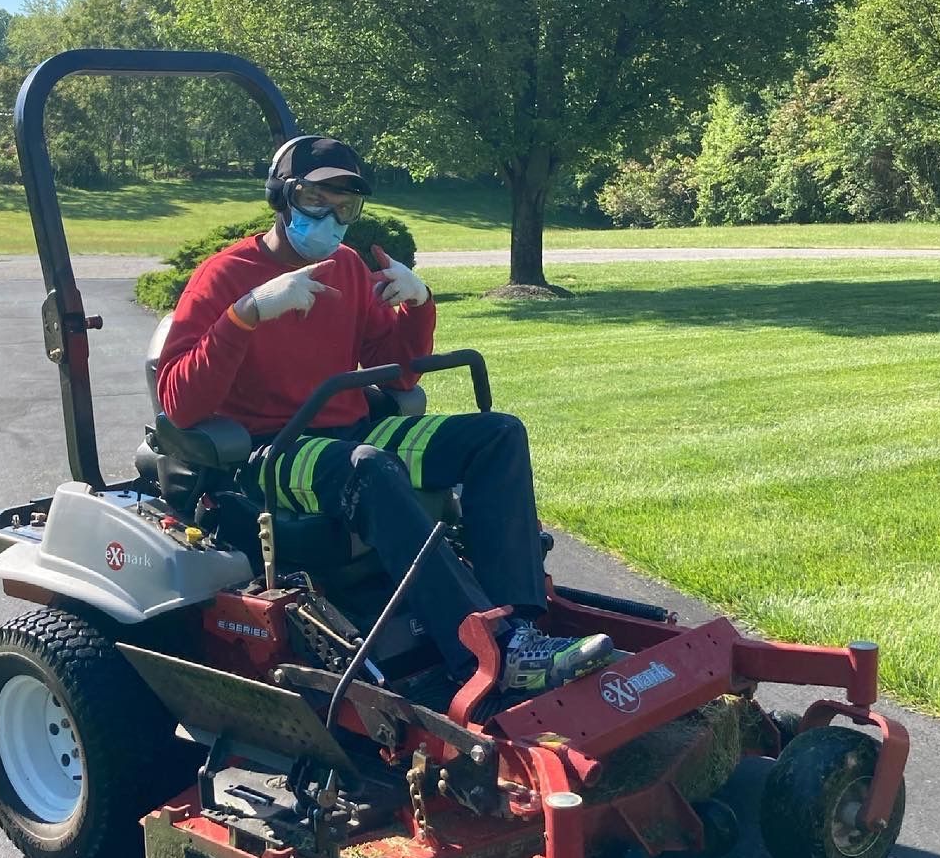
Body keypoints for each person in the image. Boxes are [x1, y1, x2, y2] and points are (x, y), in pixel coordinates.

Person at [156, 134, 612, 697]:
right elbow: (178, 400)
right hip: (266, 451)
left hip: (349, 429)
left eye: (347, 205)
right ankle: (478, 649)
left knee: (497, 434)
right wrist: (247, 313)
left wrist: (418, 306)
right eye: (318, 200)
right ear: (282, 196)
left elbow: (396, 374)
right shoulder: (225, 276)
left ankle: (518, 626)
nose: (333, 216)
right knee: (368, 466)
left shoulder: (346, 267)